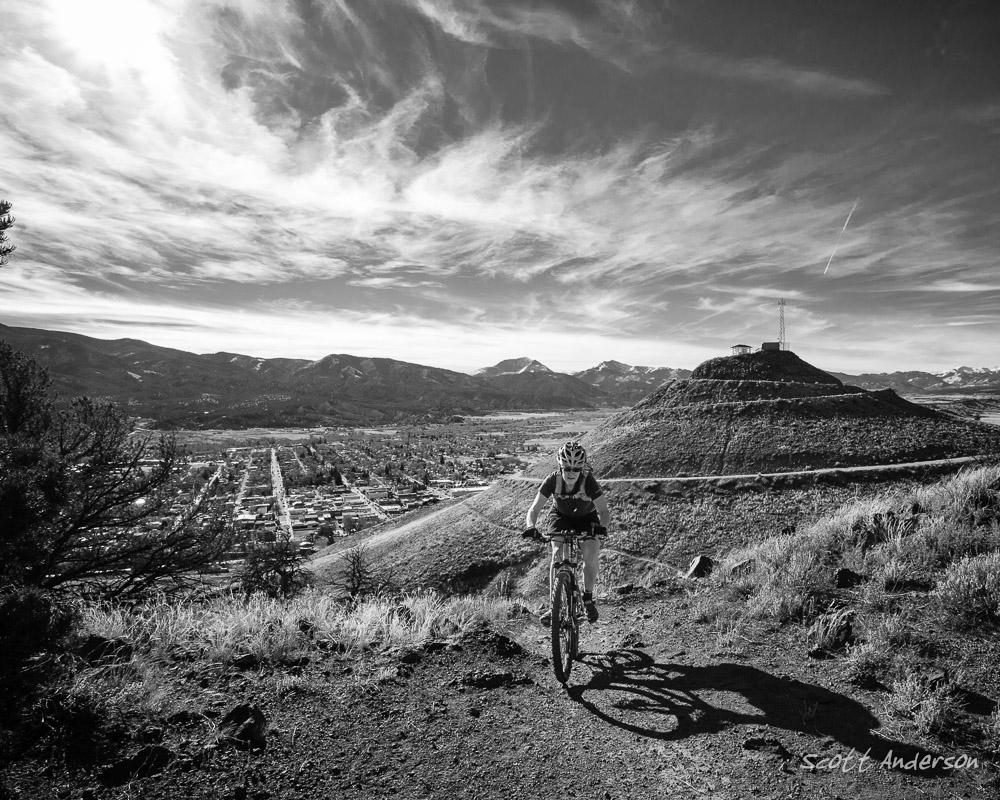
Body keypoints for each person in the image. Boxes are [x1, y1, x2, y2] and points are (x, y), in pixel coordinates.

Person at [522, 441, 610, 625]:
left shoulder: (588, 481)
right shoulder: (553, 480)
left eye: (576, 469)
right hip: (561, 516)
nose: (571, 473)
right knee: (556, 556)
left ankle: (587, 598)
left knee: (590, 554)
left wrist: (602, 527)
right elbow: (534, 509)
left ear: (582, 468)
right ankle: (555, 606)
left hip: (587, 517)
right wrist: (531, 526)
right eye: (567, 468)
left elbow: (603, 511)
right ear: (560, 466)